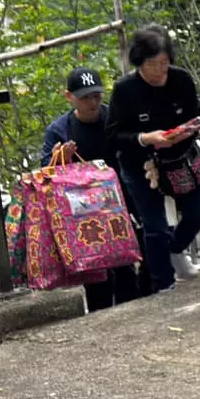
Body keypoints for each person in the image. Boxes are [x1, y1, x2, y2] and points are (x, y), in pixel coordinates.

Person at [107, 26, 200, 295]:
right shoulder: (124, 90)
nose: (159, 70)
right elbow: (114, 134)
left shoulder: (181, 79)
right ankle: (163, 284)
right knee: (155, 227)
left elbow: (196, 117)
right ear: (139, 62)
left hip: (178, 158)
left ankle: (175, 250)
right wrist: (146, 139)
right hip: (140, 164)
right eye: (152, 64)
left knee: (198, 212)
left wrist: (182, 135)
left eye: (164, 63)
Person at [39, 65, 143, 310]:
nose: (92, 103)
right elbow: (46, 173)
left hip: (120, 203)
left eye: (96, 96)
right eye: (85, 97)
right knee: (96, 274)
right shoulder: (60, 130)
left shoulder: (114, 119)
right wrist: (61, 158)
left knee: (126, 265)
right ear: (69, 97)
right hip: (84, 212)